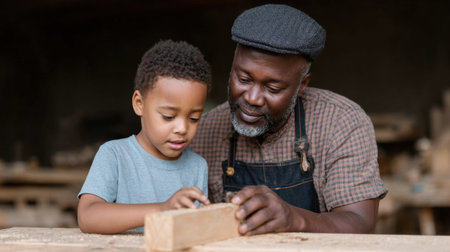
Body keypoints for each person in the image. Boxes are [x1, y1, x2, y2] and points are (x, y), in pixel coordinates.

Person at [189, 4, 387, 235]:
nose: (252, 98)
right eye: (243, 79)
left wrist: (294, 219)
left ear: (302, 84)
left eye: (272, 88)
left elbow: (360, 223)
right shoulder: (202, 131)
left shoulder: (341, 122)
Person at [77, 40, 212, 234]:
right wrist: (163, 209)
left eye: (194, 118)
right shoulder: (115, 155)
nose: (182, 128)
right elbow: (88, 216)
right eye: (168, 116)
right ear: (139, 103)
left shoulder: (197, 166)